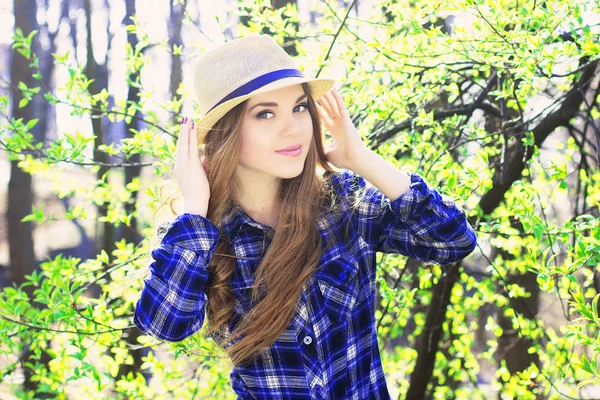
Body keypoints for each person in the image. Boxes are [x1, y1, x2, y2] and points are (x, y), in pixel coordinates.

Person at [133, 34, 477, 399]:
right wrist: (196, 204)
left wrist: (363, 159)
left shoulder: (342, 203)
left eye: (299, 107)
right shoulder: (200, 232)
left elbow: (454, 240)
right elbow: (165, 324)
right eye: (265, 113)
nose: (294, 128)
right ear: (226, 132)